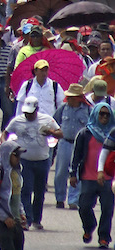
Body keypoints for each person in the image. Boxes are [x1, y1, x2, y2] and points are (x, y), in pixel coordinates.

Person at [3, 97, 62, 229]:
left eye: (31, 113)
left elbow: (60, 133)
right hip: (25, 160)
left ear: (37, 110)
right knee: (26, 189)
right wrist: (5, 146)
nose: (28, 115)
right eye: (26, 113)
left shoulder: (46, 119)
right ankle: (27, 219)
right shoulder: (17, 121)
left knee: (40, 191)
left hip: (42, 160)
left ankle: (37, 219)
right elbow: (5, 133)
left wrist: (51, 132)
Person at [70, 101, 115, 247]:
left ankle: (104, 237)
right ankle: (89, 227)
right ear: (95, 114)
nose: (104, 117)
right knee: (84, 206)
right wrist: (73, 174)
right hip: (88, 177)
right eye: (101, 114)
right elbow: (76, 155)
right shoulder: (85, 133)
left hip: (108, 178)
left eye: (107, 115)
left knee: (107, 209)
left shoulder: (112, 134)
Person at [53, 83, 91, 211]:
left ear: (79, 98)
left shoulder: (88, 110)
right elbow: (54, 121)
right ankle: (59, 197)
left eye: (71, 97)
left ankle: (73, 200)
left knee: (77, 173)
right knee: (60, 172)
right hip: (65, 142)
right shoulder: (63, 108)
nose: (68, 99)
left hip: (80, 145)